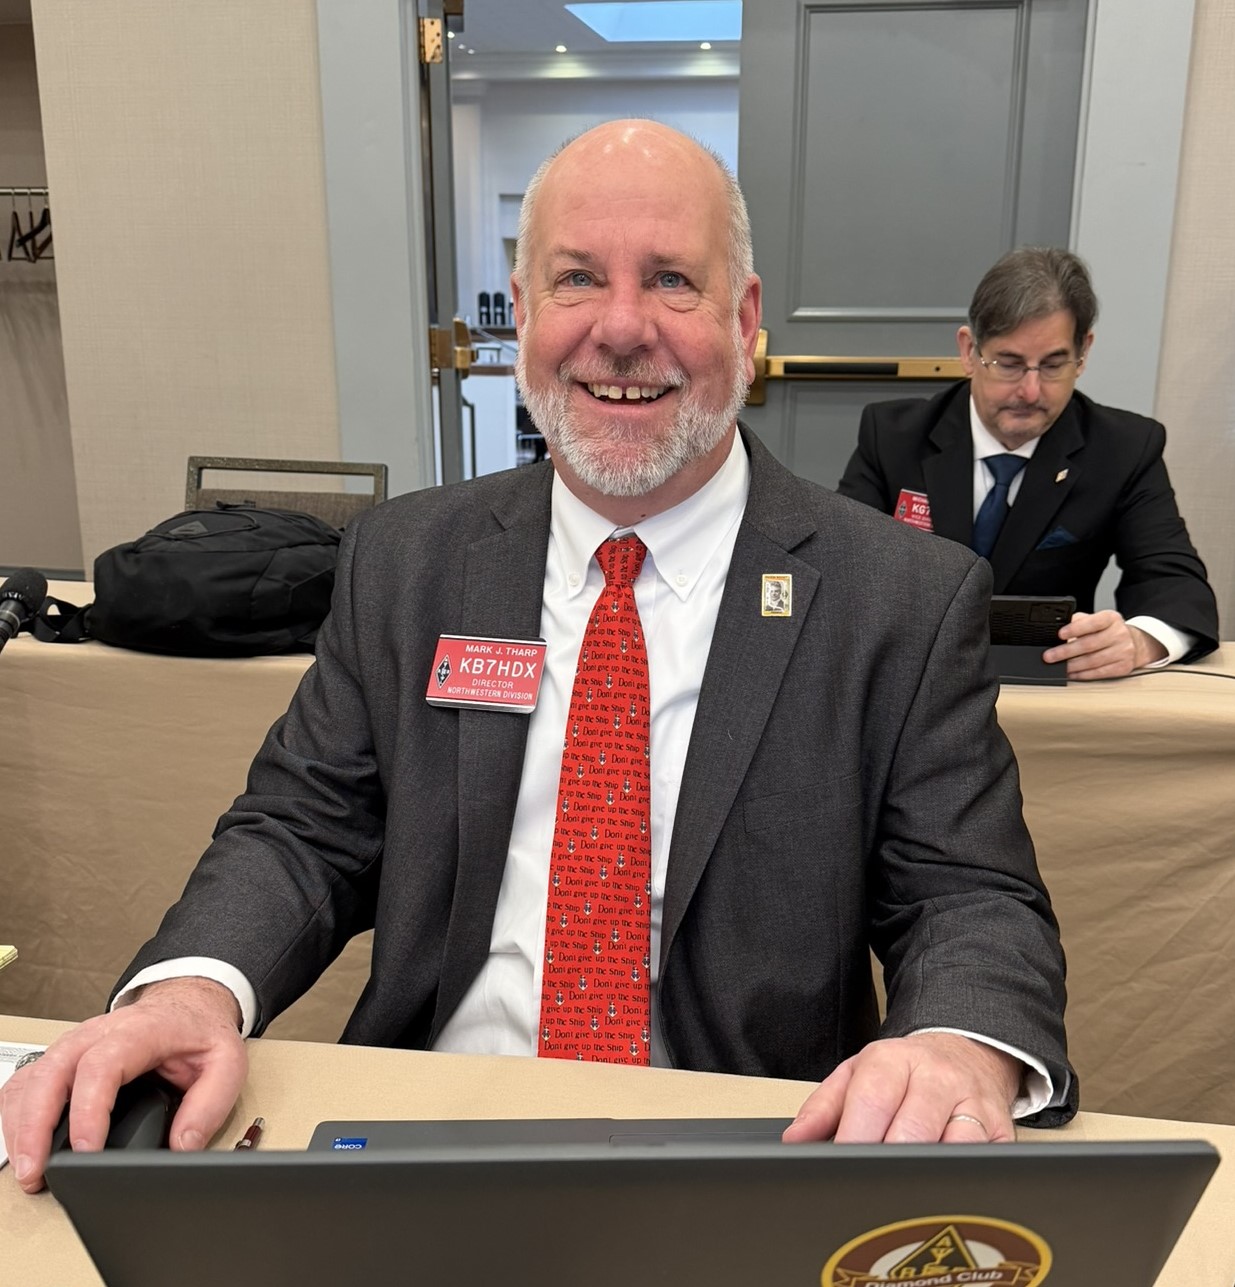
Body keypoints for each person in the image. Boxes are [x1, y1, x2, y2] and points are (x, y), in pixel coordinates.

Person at [1, 122, 1074, 1194]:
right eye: (576, 279)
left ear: (744, 321)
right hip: (427, 1140)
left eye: (670, 280)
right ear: (522, 314)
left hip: (751, 1153)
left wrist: (954, 1044)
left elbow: (965, 897)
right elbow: (302, 829)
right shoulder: (407, 562)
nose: (620, 328)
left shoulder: (899, 597)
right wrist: (191, 992)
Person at [837, 247, 1218, 680]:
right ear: (969, 351)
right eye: (1009, 364)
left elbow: (1176, 586)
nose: (1031, 391)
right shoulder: (893, 438)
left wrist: (1138, 641)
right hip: (909, 680)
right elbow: (838, 571)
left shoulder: (1124, 449)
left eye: (1053, 365)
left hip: (1047, 685)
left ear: (1083, 353)